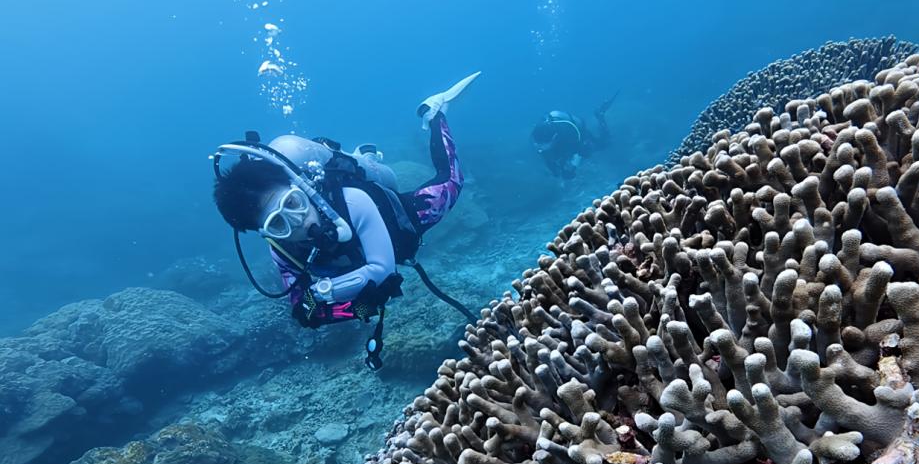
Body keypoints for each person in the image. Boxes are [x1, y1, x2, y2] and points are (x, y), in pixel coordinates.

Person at [211, 72, 480, 369]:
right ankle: (364, 155)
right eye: (279, 223)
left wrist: (322, 292)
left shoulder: (351, 200)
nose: (298, 221)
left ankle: (435, 113)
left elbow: (381, 268)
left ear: (302, 189)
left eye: (293, 203)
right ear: (266, 233)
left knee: (452, 182)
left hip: (396, 223)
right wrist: (360, 306)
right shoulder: (283, 251)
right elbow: (306, 313)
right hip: (361, 260)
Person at [530, 91, 618, 179]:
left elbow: (578, 152)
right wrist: (555, 170)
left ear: (553, 138)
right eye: (537, 145)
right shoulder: (539, 138)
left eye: (542, 145)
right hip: (560, 141)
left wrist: (572, 169)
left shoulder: (567, 136)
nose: (539, 148)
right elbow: (547, 157)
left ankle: (600, 115)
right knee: (556, 153)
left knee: (603, 145)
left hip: (579, 132)